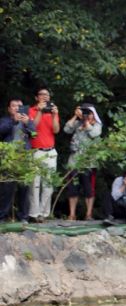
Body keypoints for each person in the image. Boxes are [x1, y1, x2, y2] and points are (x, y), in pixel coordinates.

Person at [63, 103, 102, 220]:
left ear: (93, 114)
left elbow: (94, 134)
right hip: (74, 162)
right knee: (72, 189)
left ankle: (88, 214)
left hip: (89, 163)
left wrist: (86, 121)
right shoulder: (77, 123)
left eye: (89, 113)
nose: (87, 115)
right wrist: (75, 116)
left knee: (89, 190)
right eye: (85, 113)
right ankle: (72, 214)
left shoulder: (97, 125)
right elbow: (66, 129)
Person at [0, 98, 35, 223]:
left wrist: (27, 124)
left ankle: (23, 217)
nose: (16, 108)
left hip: (24, 157)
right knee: (6, 188)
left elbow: (34, 134)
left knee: (24, 187)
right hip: (9, 158)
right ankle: (2, 216)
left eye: (19, 106)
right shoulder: (5, 120)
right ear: (9, 109)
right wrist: (13, 121)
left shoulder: (28, 120)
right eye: (14, 106)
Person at [28, 87, 60, 222]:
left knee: (48, 184)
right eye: (42, 94)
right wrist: (40, 111)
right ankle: (34, 214)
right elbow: (32, 128)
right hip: (36, 151)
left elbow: (56, 130)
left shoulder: (53, 111)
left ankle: (43, 213)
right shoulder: (31, 110)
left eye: (47, 94)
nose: (45, 96)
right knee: (34, 184)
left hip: (50, 151)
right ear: (36, 97)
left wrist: (53, 115)